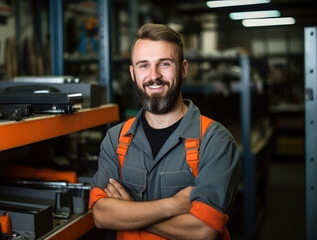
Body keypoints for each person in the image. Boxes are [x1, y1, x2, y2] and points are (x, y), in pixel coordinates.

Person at [89, 23, 242, 240]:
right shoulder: (116, 139)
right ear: (132, 73)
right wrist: (174, 205)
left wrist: (130, 210)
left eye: (164, 64)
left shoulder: (215, 141)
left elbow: (203, 230)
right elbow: (102, 215)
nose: (154, 75)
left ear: (183, 68)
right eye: (144, 66)